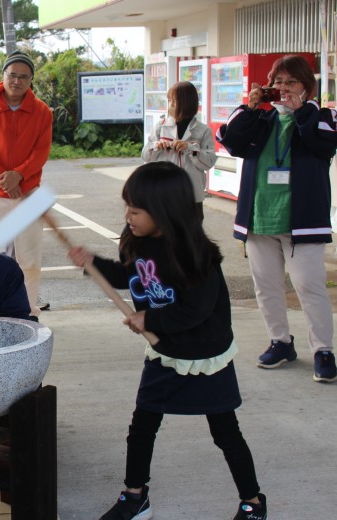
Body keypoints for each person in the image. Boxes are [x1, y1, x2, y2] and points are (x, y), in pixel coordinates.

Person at [68, 162, 266, 520]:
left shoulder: (197, 255)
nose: (128, 216)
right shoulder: (140, 243)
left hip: (206, 355)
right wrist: (92, 263)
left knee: (225, 432)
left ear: (165, 211)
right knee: (142, 425)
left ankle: (252, 501)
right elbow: (129, 276)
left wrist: (150, 318)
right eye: (127, 207)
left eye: (136, 210)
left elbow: (196, 310)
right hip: (166, 352)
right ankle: (135, 496)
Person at [216, 54, 337, 383]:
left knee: (309, 287)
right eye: (277, 82)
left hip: (303, 222)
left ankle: (324, 350)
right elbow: (229, 140)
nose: (283, 89)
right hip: (259, 221)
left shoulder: (322, 116)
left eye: (291, 82)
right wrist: (251, 106)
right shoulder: (262, 119)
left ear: (306, 86)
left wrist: (302, 111)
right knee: (266, 288)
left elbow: (325, 144)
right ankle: (280, 342)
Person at [0, 50, 52, 319]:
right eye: (12, 75)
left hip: (28, 192)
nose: (17, 81)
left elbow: (41, 152)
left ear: (31, 81)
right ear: (3, 76)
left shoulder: (41, 111)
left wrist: (19, 174)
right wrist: (6, 180)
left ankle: (27, 310)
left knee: (29, 258)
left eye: (23, 77)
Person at [141, 81, 216, 221]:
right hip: (164, 193)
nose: (171, 104)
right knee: (164, 236)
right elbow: (145, 156)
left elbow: (209, 163)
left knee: (191, 238)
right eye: (169, 100)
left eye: (174, 100)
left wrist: (190, 148)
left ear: (187, 102)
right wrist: (157, 146)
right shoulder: (161, 126)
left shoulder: (202, 130)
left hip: (191, 196)